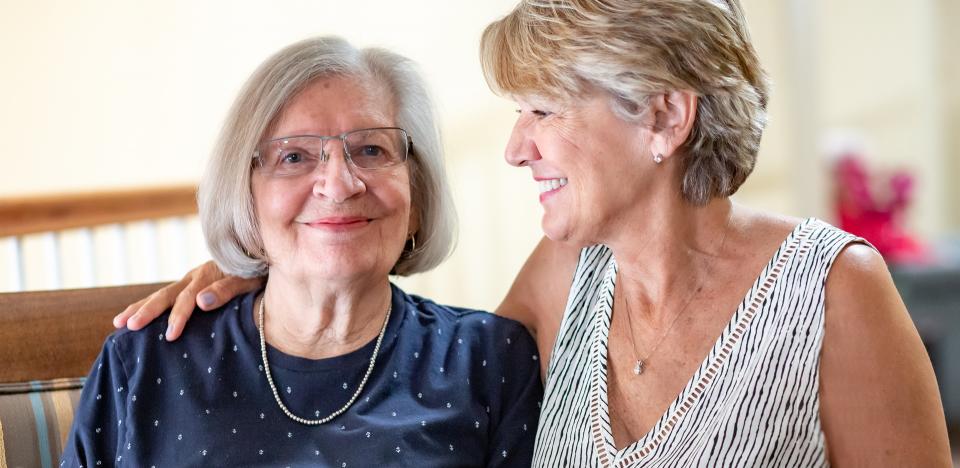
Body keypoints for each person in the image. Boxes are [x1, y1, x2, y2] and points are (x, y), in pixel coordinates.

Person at [116, 1, 952, 466]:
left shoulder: (834, 290)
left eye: (543, 111)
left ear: (662, 117)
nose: (517, 147)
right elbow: (412, 373)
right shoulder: (567, 273)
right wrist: (267, 271)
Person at [62, 36, 541, 467]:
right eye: (294, 156)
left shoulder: (490, 360)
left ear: (417, 197)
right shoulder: (146, 362)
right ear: (245, 199)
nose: (338, 184)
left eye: (371, 150)